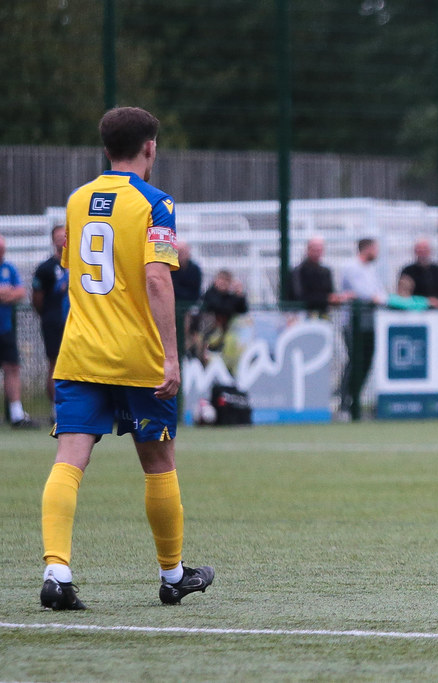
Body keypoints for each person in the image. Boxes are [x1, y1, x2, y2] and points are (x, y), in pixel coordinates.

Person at [39, 106, 213, 610]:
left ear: (105, 147)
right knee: (158, 463)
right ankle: (173, 574)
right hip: (138, 357)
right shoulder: (156, 202)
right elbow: (158, 278)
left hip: (80, 353)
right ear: (150, 147)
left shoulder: (76, 201)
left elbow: (76, 267)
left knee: (69, 458)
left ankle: (57, 571)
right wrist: (173, 358)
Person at [338, 238, 387, 420]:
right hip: (353, 323)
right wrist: (376, 298)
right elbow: (364, 293)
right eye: (375, 248)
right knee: (355, 361)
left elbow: (380, 293)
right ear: (367, 249)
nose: (377, 252)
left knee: (367, 362)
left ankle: (355, 401)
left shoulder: (371, 269)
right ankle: (344, 403)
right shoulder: (352, 267)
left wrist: (379, 297)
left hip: (370, 323)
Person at [32, 225, 70, 420]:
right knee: (55, 363)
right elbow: (37, 298)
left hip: (78, 323)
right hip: (54, 323)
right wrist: (49, 316)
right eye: (57, 237)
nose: (61, 240)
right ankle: (56, 410)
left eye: (64, 236)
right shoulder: (45, 268)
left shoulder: (80, 264)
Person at [1, 234, 37, 428]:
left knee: (12, 368)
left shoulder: (9, 268)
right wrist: (5, 292)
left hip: (5, 330)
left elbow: (21, 292)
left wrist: (8, 293)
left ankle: (16, 414)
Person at [291, 236, 344, 317]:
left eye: (319, 250)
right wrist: (326, 299)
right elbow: (299, 296)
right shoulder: (298, 271)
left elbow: (330, 293)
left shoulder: (325, 271)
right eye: (314, 249)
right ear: (308, 250)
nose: (317, 253)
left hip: (323, 315)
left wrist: (336, 298)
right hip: (304, 316)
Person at [198, 269, 249, 351]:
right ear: (216, 280)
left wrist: (240, 295)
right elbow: (220, 307)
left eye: (227, 280)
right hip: (209, 333)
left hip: (226, 333)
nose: (223, 283)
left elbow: (243, 310)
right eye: (222, 279)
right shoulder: (210, 294)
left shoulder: (231, 297)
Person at [399, 238, 438, 303]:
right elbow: (403, 296)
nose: (422, 252)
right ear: (415, 251)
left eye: (425, 249)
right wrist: (425, 301)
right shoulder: (407, 272)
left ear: (430, 251)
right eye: (419, 250)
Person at [170, 240, 203, 306]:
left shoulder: (195, 269)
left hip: (191, 304)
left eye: (183, 252)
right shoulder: (171, 269)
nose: (180, 255)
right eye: (179, 252)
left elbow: (196, 290)